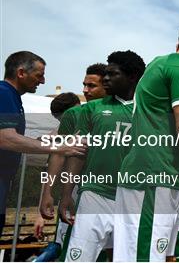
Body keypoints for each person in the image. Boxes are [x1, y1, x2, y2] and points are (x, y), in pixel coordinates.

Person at [114, 24, 179, 262]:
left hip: (150, 172)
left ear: (178, 44)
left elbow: (170, 117)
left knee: (142, 254)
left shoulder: (158, 63)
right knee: (145, 256)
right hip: (154, 174)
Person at [60, 51, 145, 262]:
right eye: (105, 74)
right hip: (95, 194)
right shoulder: (92, 109)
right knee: (78, 258)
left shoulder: (150, 110)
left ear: (132, 76)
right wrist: (66, 194)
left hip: (134, 199)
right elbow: (77, 154)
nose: (105, 78)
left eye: (112, 74)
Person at [0, 51, 86, 236]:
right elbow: (6, 138)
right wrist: (59, 146)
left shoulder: (14, 99)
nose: (43, 81)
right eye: (39, 75)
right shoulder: (3, 93)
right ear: (21, 73)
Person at [39, 64, 107, 261]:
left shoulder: (129, 112)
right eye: (84, 85)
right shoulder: (76, 115)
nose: (85, 90)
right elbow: (59, 154)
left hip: (120, 193)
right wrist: (48, 192)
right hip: (83, 192)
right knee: (75, 250)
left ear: (107, 85)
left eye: (91, 86)